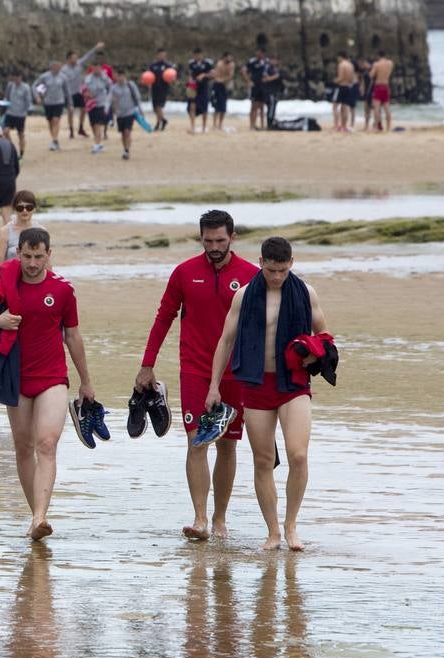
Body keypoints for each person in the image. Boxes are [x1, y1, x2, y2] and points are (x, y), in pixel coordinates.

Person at [136, 210, 258, 540]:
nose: (214, 247)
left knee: (228, 447)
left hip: (236, 373)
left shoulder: (251, 275)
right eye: (208, 241)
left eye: (220, 240)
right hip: (194, 370)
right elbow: (163, 318)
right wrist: (147, 364)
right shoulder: (184, 273)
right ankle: (200, 518)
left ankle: (219, 519)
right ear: (200, 238)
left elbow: (264, 327)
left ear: (233, 238)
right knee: (196, 441)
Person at [208, 236, 330, 552]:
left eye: (282, 270)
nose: (277, 276)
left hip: (293, 384)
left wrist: (315, 354)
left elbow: (325, 336)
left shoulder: (306, 293)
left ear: (291, 263)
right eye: (271, 270)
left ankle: (291, 527)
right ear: (261, 263)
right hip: (257, 384)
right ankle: (273, 531)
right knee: (263, 461)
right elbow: (224, 341)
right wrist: (213, 387)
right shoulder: (244, 296)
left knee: (298, 454)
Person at [0, 228, 96, 541]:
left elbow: (72, 336)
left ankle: (40, 515)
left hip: (52, 377)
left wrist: (85, 381)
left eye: (39, 256)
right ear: (19, 254)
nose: (32, 263)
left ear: (49, 254)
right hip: (15, 376)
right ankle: (36, 517)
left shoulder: (62, 290)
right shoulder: (3, 283)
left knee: (46, 443)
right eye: (27, 256)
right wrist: (0, 322)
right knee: (23, 446)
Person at [60, 43, 102, 139]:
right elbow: (60, 82)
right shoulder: (64, 70)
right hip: (70, 94)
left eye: (76, 58)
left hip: (80, 92)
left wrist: (96, 48)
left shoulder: (79, 64)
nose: (75, 59)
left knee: (84, 110)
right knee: (71, 111)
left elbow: (88, 56)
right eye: (73, 58)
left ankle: (80, 128)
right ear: (69, 59)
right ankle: (71, 130)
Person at [0, 189, 41, 265]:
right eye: (20, 208)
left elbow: (46, 261)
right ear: (14, 209)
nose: (25, 211)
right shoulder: (5, 232)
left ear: (34, 208)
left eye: (29, 207)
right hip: (11, 275)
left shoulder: (41, 231)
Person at [33, 60, 70, 152]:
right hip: (48, 102)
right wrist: (38, 96)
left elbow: (67, 91)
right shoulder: (45, 76)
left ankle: (55, 140)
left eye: (59, 66)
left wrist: (70, 103)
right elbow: (35, 85)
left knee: (56, 120)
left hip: (59, 101)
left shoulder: (63, 77)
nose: (58, 68)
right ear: (52, 67)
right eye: (56, 66)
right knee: (50, 121)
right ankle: (54, 139)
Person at [109, 68, 142, 160]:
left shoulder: (131, 85)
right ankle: (125, 148)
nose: (120, 78)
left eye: (122, 76)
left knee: (127, 131)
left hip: (130, 112)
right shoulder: (113, 88)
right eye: (118, 76)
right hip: (120, 113)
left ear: (124, 76)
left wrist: (140, 109)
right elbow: (109, 100)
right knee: (123, 133)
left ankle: (127, 150)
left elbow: (137, 97)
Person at [1, 69, 31, 158]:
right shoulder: (10, 86)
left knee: (20, 134)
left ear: (21, 77)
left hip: (20, 115)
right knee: (5, 131)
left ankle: (21, 153)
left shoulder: (26, 88)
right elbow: (6, 97)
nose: (16, 80)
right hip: (10, 113)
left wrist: (26, 110)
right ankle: (11, 148)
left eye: (18, 77)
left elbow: (28, 101)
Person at [82, 63, 111, 154]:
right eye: (94, 67)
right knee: (93, 124)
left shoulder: (105, 77)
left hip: (101, 103)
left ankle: (96, 144)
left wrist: (109, 100)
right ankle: (99, 143)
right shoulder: (88, 78)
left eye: (98, 67)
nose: (96, 69)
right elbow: (83, 89)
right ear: (92, 68)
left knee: (98, 124)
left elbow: (111, 87)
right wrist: (86, 94)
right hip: (91, 104)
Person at [147, 48, 175, 131]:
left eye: (164, 55)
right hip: (154, 88)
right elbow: (149, 75)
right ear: (157, 55)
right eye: (160, 55)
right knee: (155, 107)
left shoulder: (168, 66)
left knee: (159, 106)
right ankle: (161, 120)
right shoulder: (153, 65)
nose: (162, 56)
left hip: (163, 88)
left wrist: (172, 80)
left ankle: (160, 122)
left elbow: (172, 76)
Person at [243, 47, 270, 132]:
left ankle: (262, 125)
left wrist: (267, 79)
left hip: (263, 86)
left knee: (262, 106)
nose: (258, 54)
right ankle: (252, 125)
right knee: (254, 106)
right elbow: (243, 71)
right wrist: (248, 81)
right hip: (255, 86)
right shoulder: (252, 61)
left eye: (260, 52)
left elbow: (268, 72)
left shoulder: (266, 62)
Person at [187, 47, 213, 134]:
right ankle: (192, 126)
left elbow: (212, 74)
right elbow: (190, 74)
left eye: (199, 55)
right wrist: (190, 81)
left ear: (202, 55)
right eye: (196, 55)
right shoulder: (191, 63)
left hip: (204, 87)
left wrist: (204, 75)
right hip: (193, 87)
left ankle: (204, 127)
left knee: (204, 108)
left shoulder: (208, 63)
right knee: (192, 106)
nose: (198, 56)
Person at [332, 52, 357, 133]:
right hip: (348, 87)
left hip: (341, 87)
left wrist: (335, 81)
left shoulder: (342, 65)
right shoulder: (351, 65)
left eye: (338, 58)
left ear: (341, 57)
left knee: (335, 106)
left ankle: (336, 125)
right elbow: (352, 79)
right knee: (345, 107)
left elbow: (341, 77)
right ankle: (344, 126)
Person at [370, 51, 394, 133]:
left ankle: (376, 127)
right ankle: (388, 127)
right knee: (387, 108)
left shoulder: (376, 64)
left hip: (378, 86)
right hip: (386, 86)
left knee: (376, 108)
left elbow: (371, 75)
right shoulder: (390, 63)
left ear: (378, 56)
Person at [210, 52, 235, 131]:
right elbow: (216, 76)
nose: (230, 59)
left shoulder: (231, 65)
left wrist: (224, 80)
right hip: (218, 85)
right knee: (216, 106)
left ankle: (220, 124)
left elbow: (230, 76)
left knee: (223, 107)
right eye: (228, 57)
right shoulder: (219, 64)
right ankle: (214, 124)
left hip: (225, 86)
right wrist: (221, 79)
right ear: (224, 57)